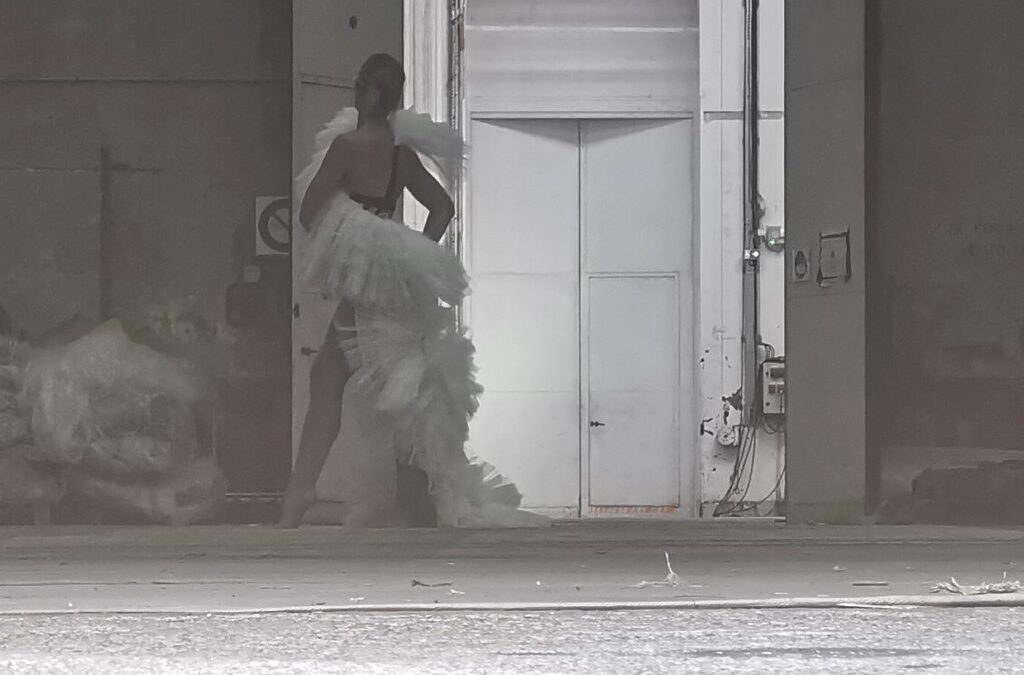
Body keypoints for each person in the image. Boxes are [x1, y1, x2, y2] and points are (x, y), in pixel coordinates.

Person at [280, 54, 546, 530]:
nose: (355, 96)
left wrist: (359, 239)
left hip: (369, 289)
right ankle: (411, 499)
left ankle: (304, 492)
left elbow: (309, 210)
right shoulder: (400, 153)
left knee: (344, 383)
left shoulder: (346, 147)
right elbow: (441, 207)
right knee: (401, 387)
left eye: (360, 87)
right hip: (392, 287)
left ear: (373, 94)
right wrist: (409, 255)